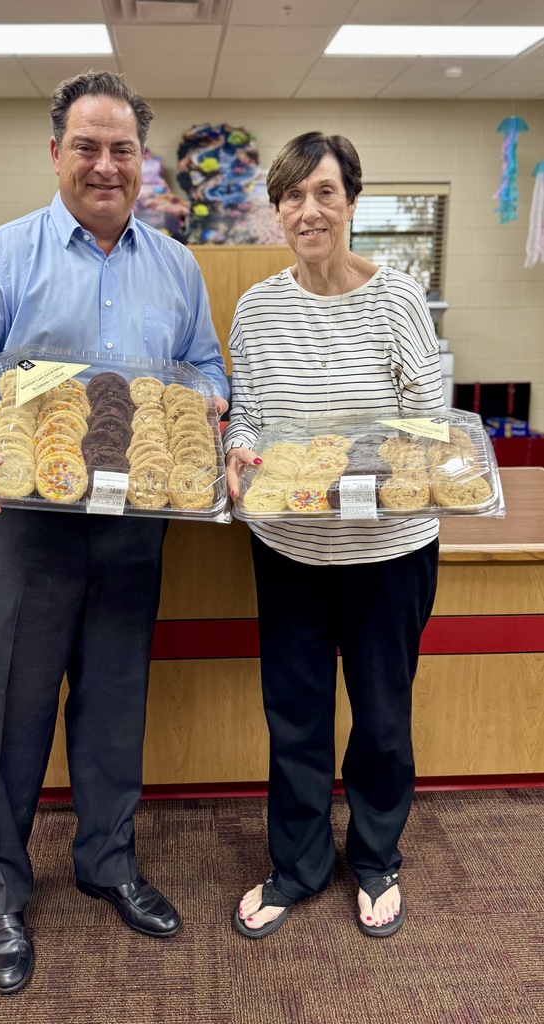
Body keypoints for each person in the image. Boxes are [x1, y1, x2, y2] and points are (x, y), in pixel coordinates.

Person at [0, 70, 228, 995]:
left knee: (113, 705)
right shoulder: (2, 254)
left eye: (121, 148)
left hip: (135, 521)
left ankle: (107, 863)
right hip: (23, 526)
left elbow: (204, 364)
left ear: (143, 162)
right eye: (86, 146)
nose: (105, 164)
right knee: (14, 710)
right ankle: (4, 893)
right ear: (55, 153)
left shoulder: (175, 264)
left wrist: (207, 402)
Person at [224, 132, 442, 941]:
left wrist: (377, 471)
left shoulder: (398, 300)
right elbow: (246, 413)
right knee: (295, 715)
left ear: (352, 200)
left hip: (386, 551)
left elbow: (425, 425)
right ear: (277, 210)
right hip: (289, 548)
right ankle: (299, 864)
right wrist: (238, 450)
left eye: (323, 192)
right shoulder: (257, 307)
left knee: (382, 716)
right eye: (292, 196)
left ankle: (376, 855)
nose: (307, 210)